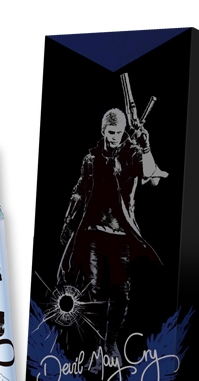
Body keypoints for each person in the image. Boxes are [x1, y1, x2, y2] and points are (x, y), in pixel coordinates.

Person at [58, 108, 168, 363]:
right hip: (93, 232)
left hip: (122, 234)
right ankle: (94, 348)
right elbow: (79, 191)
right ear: (103, 131)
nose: (115, 136)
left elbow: (152, 177)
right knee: (93, 292)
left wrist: (146, 147)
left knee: (120, 293)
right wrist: (67, 221)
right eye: (110, 132)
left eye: (118, 132)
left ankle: (110, 345)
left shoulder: (132, 154)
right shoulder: (91, 159)